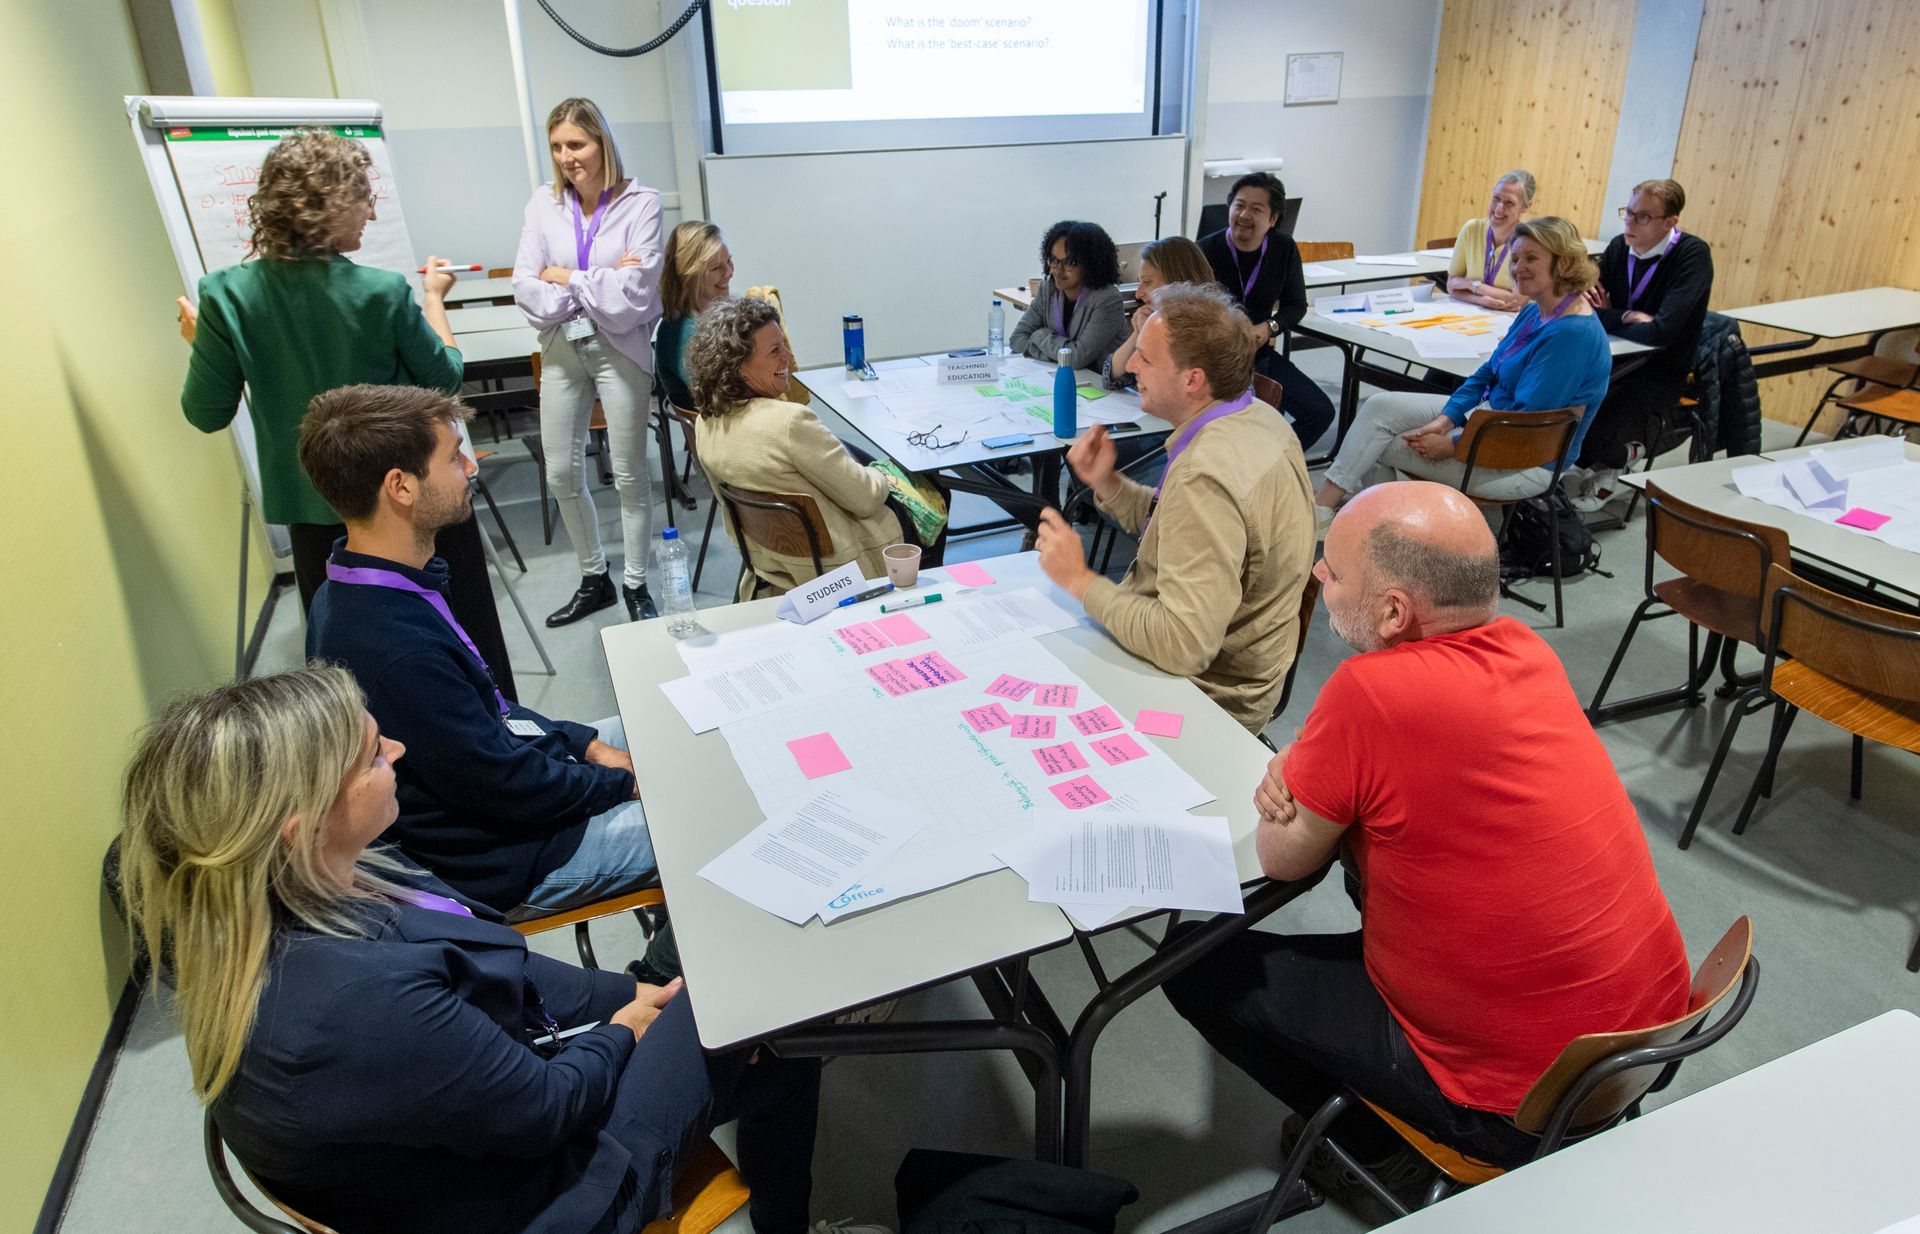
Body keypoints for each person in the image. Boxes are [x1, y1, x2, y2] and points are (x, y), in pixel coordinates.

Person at [117, 664, 820, 1234]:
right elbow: (546, 1109)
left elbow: (503, 966)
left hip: (491, 1099)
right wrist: (626, 1029)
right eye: (370, 756)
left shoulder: (313, 893)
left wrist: (633, 999)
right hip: (552, 1192)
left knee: (729, 1007)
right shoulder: (353, 1006)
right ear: (300, 830)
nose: (395, 751)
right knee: (775, 1034)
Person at [1165, 480, 1691, 1200]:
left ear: (1392, 612)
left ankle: (1373, 1150)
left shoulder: (1369, 693)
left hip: (1519, 1102)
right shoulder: (1528, 652)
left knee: (1196, 968)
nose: (1319, 574)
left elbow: (1278, 855)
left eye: (1334, 570)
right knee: (1370, 879)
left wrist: (1294, 766)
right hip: (1647, 1041)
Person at [299, 385, 673, 957]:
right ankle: (672, 989)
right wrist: (622, 783)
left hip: (509, 792)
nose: (471, 467)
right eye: (453, 456)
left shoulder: (353, 582)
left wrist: (584, 743)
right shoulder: (394, 647)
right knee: (700, 817)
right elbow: (505, 785)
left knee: (659, 724)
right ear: (400, 486)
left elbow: (489, 711)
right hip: (511, 854)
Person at [179, 127, 516, 697]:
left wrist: (205, 341)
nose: (371, 208)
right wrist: (435, 299)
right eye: (362, 195)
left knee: (351, 668)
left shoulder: (224, 297)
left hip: (316, 516)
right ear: (327, 203)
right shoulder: (381, 293)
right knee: (459, 645)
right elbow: (445, 379)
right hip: (408, 507)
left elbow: (206, 412)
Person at [1034, 283, 1315, 734]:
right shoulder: (1258, 418)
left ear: (1192, 379)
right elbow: (1182, 528)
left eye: (1146, 357)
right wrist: (1109, 484)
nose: (1128, 365)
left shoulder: (1205, 473)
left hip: (1204, 700)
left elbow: (1183, 644)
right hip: (1246, 675)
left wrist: (1079, 580)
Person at [1312, 216, 1612, 529]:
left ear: (1563, 263)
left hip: (1527, 460)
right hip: (1492, 420)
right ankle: (1338, 515)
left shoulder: (1571, 335)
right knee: (1379, 407)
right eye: (1517, 258)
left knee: (1381, 444)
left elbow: (1525, 422)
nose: (1518, 267)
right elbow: (1487, 372)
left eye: (1531, 258)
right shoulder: (1536, 309)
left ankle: (1387, 534)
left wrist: (1455, 444)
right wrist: (1447, 419)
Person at [514, 96, 666, 625]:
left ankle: (636, 583)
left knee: (628, 474)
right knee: (561, 471)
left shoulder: (641, 203)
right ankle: (594, 577)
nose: (565, 157)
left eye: (576, 144)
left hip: (620, 348)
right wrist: (592, 288)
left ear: (602, 143)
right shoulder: (542, 204)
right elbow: (524, 285)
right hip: (561, 347)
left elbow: (635, 297)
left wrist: (569, 276)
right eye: (556, 146)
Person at [690, 297, 947, 598]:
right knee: (934, 487)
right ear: (739, 367)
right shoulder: (790, 422)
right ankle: (921, 598)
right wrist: (884, 476)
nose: (788, 356)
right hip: (838, 569)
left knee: (851, 449)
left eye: (784, 344)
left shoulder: (706, 422)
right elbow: (865, 499)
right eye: (775, 351)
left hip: (771, 563)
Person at [1573, 178, 1714, 500]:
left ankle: (1626, 455)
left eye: (1643, 217)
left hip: (1660, 371)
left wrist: (1610, 312)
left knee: (1592, 430)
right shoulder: (1618, 247)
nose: (1630, 222)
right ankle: (1588, 465)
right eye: (1628, 212)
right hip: (1611, 359)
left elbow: (1662, 332)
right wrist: (1626, 316)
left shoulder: (1692, 256)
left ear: (1670, 222)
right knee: (1562, 412)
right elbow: (1584, 308)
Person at [1197, 171, 1338, 451]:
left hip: (1258, 355)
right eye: (1239, 206)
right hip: (1213, 360)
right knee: (1228, 427)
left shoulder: (1283, 249)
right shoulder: (1205, 250)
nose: (1244, 215)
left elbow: (1296, 305)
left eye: (1256, 209)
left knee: (1320, 411)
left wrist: (1268, 328)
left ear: (1272, 219)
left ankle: (1271, 461)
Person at [1008, 220, 1130, 370]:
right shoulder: (1048, 289)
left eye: (1070, 262)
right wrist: (1060, 356)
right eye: (1054, 260)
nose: (1058, 269)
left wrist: (1039, 336)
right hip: (1064, 377)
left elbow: (1076, 359)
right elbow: (1017, 339)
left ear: (1091, 264)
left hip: (1102, 388)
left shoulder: (1107, 300)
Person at [1102, 235, 1216, 391]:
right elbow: (1110, 378)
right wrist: (1138, 333)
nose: (1138, 294)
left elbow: (1174, 392)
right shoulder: (1155, 321)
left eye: (1147, 282)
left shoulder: (1216, 331)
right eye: (1139, 282)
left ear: (1177, 282)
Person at [655, 220, 734, 410]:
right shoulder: (680, 332)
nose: (729, 272)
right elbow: (723, 399)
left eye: (729, 261)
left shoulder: (711, 318)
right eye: (716, 268)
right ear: (688, 275)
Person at [1445, 170, 1536, 311]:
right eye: (1496, 198)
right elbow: (1452, 285)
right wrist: (1483, 300)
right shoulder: (1471, 229)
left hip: (1510, 319)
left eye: (1509, 203)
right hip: (1471, 314)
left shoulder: (1529, 241)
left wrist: (1472, 285)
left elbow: (1519, 299)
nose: (1499, 208)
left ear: (1525, 207)